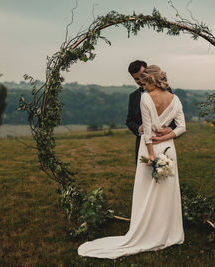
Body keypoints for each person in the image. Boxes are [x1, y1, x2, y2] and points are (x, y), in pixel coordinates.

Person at [78, 65, 186, 259]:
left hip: (150, 148)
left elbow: (147, 134)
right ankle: (169, 232)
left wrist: (152, 152)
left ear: (152, 81)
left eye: (144, 83)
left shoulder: (145, 98)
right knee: (166, 191)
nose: (142, 87)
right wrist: (166, 136)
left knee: (146, 190)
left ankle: (147, 231)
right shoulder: (175, 99)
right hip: (169, 148)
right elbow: (182, 127)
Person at [126, 60, 176, 164]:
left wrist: (170, 129)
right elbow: (129, 121)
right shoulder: (133, 96)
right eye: (136, 78)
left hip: (163, 142)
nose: (140, 80)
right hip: (142, 144)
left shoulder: (167, 91)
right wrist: (139, 129)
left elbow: (175, 117)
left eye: (142, 75)